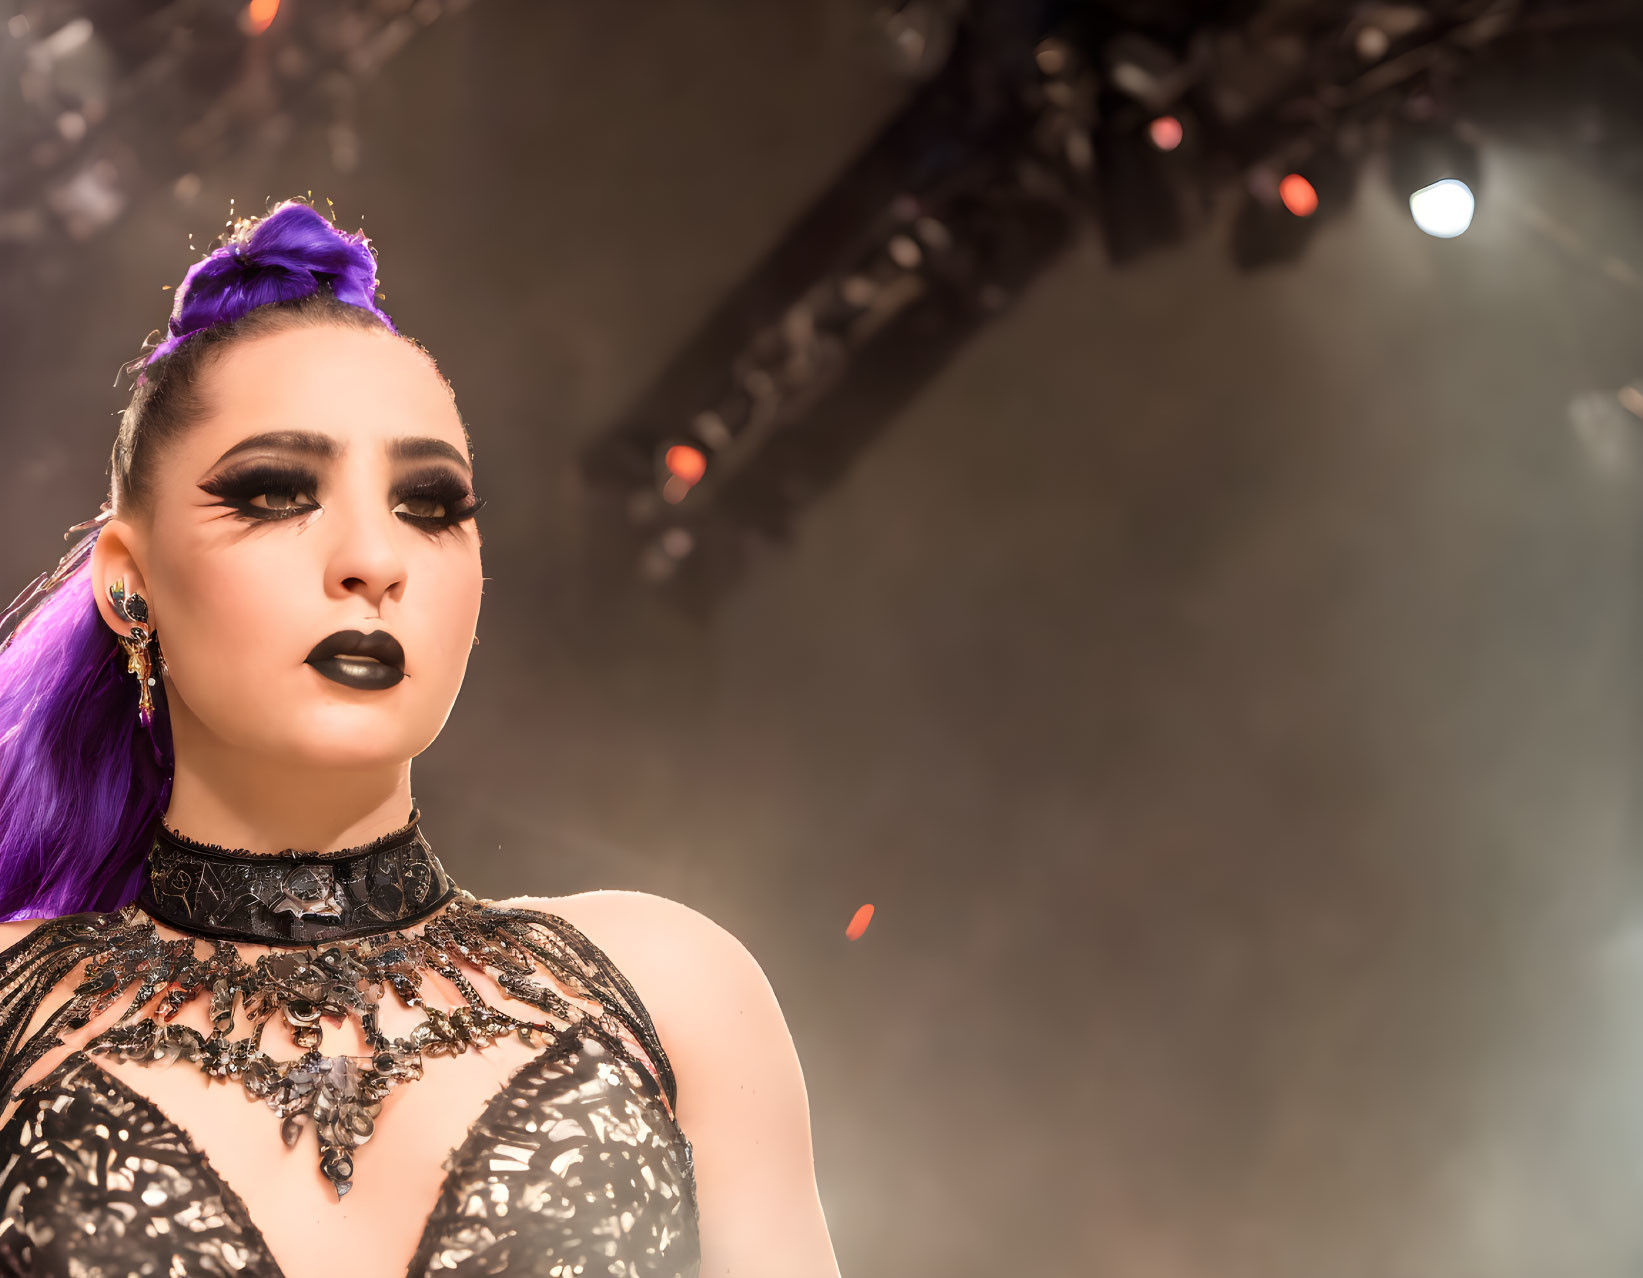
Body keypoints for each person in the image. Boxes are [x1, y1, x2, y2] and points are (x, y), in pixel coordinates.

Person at [0, 199, 839, 1278]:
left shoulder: (675, 998)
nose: (371, 558)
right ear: (129, 583)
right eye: (273, 493)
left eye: (430, 505)